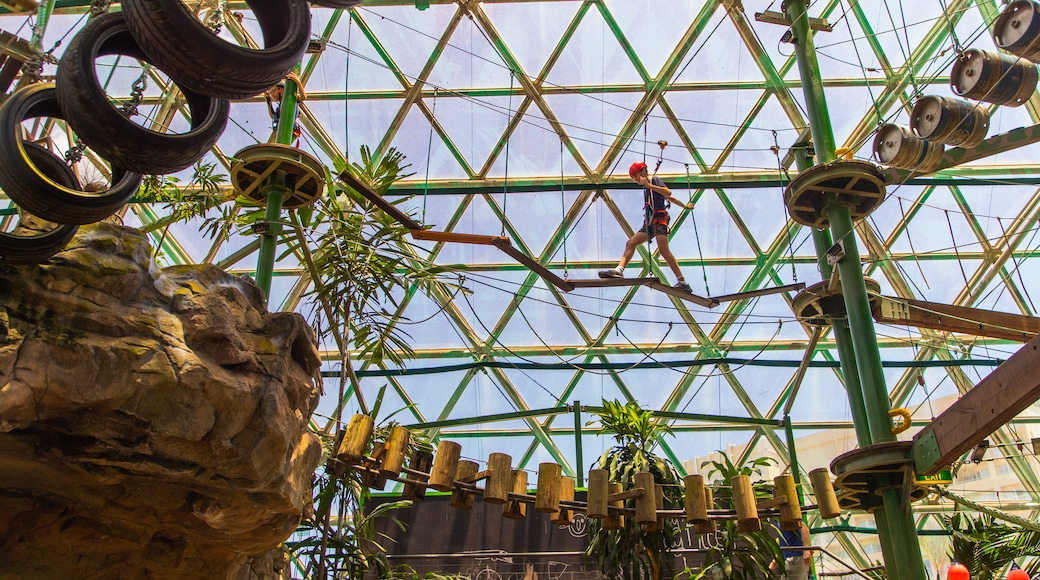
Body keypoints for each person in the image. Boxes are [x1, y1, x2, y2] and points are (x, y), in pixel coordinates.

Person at [599, 161, 695, 292]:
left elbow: (668, 193)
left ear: (643, 172)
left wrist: (649, 184)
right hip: (650, 223)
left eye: (636, 176)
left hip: (659, 220)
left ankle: (682, 282)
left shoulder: (654, 180)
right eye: (634, 178)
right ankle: (619, 270)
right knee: (631, 243)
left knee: (664, 250)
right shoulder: (648, 188)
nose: (636, 179)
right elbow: (669, 198)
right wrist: (684, 206)